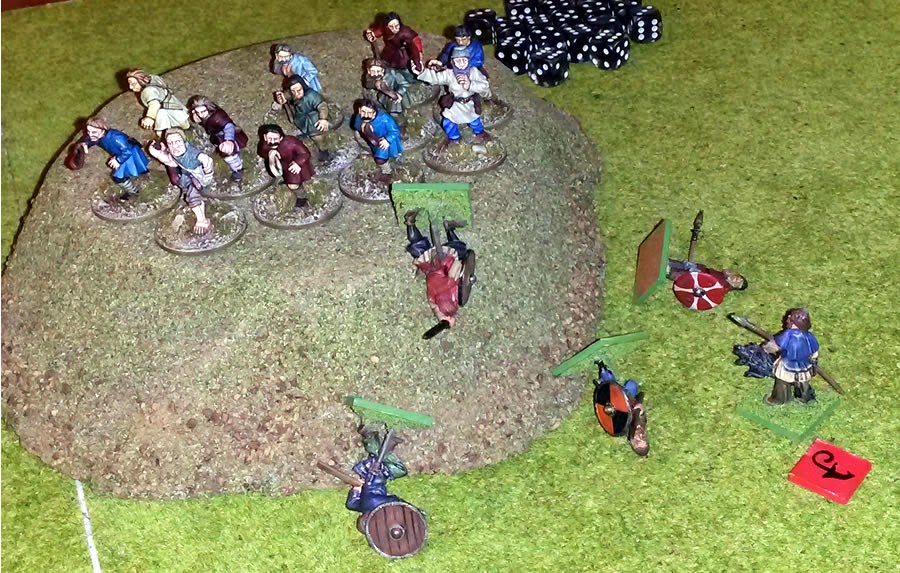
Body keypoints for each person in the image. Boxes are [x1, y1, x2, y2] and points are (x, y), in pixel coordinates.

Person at [412, 47, 491, 150]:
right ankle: (454, 138)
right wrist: (422, 72)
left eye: (464, 60)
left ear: (468, 60)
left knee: (474, 120)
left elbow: (484, 85)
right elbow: (436, 78)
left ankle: (480, 132)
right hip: (455, 105)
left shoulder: (474, 72)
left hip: (469, 104)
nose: (461, 63)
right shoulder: (450, 74)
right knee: (448, 122)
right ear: (453, 62)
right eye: (458, 60)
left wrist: (470, 84)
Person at [403, 209, 469, 333]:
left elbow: (453, 271)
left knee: (459, 249)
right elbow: (434, 306)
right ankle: (411, 224)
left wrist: (462, 267)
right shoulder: (434, 304)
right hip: (431, 269)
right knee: (420, 248)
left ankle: (448, 228)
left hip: (442, 264)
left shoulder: (450, 306)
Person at [148, 128, 213, 234]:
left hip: (196, 178)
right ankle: (201, 216)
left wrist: (207, 171)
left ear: (183, 141)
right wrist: (157, 154)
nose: (174, 145)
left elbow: (206, 159)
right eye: (170, 143)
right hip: (186, 178)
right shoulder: (173, 152)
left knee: (192, 197)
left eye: (177, 141)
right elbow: (170, 161)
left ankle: (201, 220)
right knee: (192, 197)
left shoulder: (191, 152)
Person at [78, 116, 150, 200]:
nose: (90, 134)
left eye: (93, 132)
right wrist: (85, 143)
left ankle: (133, 192)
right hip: (122, 154)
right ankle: (142, 176)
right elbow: (92, 140)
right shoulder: (99, 136)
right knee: (137, 167)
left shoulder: (116, 138)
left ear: (103, 130)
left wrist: (118, 160)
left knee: (118, 177)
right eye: (88, 131)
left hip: (128, 155)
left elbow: (127, 151)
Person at [762, 308, 819, 405]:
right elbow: (814, 351)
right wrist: (814, 360)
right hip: (804, 366)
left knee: (782, 382)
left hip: (787, 364)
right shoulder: (809, 336)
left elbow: (775, 346)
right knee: (803, 382)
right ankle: (805, 398)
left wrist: (766, 347)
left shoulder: (787, 335)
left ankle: (779, 399)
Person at [272, 75, 334, 162]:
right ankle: (306, 132)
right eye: (293, 91)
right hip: (302, 117)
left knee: (318, 137)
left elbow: (322, 106)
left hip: (314, 117)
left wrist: (323, 119)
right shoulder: (293, 93)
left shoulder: (312, 95)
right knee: (302, 125)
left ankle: (323, 150)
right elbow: (287, 95)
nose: (296, 93)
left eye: (299, 90)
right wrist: (282, 97)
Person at [188, 96, 248, 183]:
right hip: (217, 136)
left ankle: (238, 170)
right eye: (198, 112)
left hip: (226, 136)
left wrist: (229, 140)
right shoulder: (203, 115)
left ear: (208, 108)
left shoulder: (218, 116)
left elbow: (228, 126)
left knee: (230, 156)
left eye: (203, 111)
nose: (201, 115)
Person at [257, 124, 315, 211]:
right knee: (285, 177)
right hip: (283, 166)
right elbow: (262, 152)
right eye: (269, 138)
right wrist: (270, 153)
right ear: (265, 137)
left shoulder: (292, 143)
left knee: (293, 185)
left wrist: (297, 163)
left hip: (294, 166)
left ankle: (302, 197)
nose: (272, 142)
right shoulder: (266, 144)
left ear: (281, 138)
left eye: (275, 139)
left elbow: (305, 154)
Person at [596, 362, 649, 457]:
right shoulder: (642, 422)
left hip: (615, 401)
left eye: (638, 441)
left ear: (632, 441)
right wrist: (638, 404)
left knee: (608, 381)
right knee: (632, 384)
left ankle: (603, 371)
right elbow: (641, 396)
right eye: (643, 439)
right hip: (628, 397)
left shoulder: (621, 426)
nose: (641, 436)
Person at [350, 99, 403, 183]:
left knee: (380, 159)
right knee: (374, 150)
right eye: (363, 112)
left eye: (369, 113)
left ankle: (387, 172)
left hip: (385, 141)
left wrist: (387, 140)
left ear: (374, 113)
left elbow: (395, 131)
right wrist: (362, 125)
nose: (366, 115)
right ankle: (377, 155)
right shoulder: (359, 117)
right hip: (372, 140)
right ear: (359, 110)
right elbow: (356, 125)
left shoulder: (384, 118)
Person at [125, 69, 190, 135]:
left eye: (133, 84)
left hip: (167, 113)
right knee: (184, 125)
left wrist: (149, 118)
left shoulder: (148, 91)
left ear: (140, 80)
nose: (130, 87)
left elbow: (155, 105)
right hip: (176, 107)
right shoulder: (153, 77)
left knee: (162, 133)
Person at [364, 12, 423, 83]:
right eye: (391, 26)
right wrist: (372, 33)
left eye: (396, 26)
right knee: (386, 66)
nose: (394, 29)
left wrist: (419, 52)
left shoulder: (405, 32)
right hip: (389, 51)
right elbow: (378, 31)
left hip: (403, 55)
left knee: (407, 71)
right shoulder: (385, 28)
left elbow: (415, 41)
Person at [667, 259, 747, 292]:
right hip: (700, 270)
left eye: (738, 283)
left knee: (672, 273)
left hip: (696, 277)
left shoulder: (722, 288)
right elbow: (726, 271)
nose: (736, 279)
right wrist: (731, 276)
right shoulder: (727, 276)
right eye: (739, 278)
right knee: (672, 263)